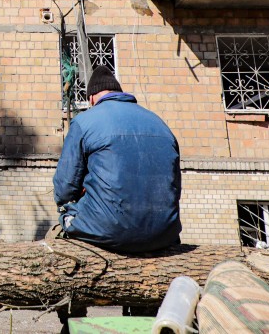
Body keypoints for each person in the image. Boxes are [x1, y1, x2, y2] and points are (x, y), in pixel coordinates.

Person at [53, 65, 181, 253]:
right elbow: (174, 184)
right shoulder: (160, 123)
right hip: (165, 233)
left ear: (91, 98)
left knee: (62, 222)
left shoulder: (84, 121)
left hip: (109, 230)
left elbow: (64, 189)